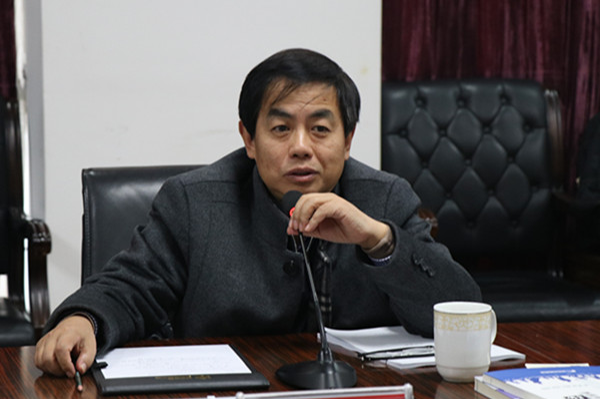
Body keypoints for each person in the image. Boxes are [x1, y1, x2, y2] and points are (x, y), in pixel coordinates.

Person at [35, 48, 481, 378]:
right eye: (281, 128)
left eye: (320, 129)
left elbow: (461, 310)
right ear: (249, 139)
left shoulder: (385, 199)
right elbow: (132, 287)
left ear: (347, 140)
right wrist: (83, 319)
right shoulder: (192, 203)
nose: (301, 147)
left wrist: (379, 241)